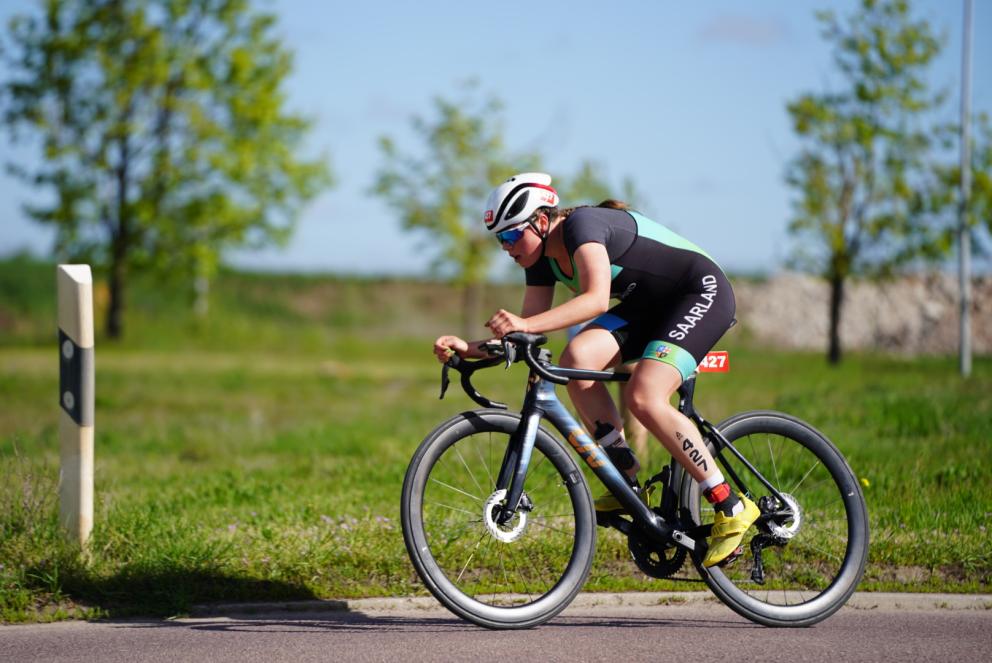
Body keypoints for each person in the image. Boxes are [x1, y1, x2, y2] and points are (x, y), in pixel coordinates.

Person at [433, 172, 758, 568]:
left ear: (541, 220)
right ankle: (627, 480)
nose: (506, 248)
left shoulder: (582, 226)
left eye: (512, 235)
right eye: (500, 239)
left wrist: (524, 324)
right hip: (650, 308)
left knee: (644, 395)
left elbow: (596, 299)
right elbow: (524, 334)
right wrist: (469, 349)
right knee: (576, 360)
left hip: (699, 293)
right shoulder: (540, 260)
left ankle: (730, 504)